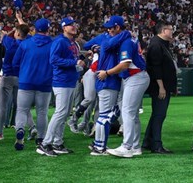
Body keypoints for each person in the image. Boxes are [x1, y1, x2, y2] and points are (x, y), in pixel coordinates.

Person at [102, 19, 150, 158]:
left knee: (127, 111)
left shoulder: (126, 42)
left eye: (111, 28)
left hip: (135, 77)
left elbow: (124, 65)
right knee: (132, 114)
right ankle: (135, 146)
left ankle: (127, 147)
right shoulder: (129, 39)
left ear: (118, 27)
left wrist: (107, 73)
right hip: (137, 76)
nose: (109, 31)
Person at [38, 17, 84, 157]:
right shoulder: (59, 41)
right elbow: (54, 59)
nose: (73, 27)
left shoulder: (73, 42)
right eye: (69, 25)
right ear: (64, 28)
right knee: (60, 113)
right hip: (61, 81)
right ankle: (45, 143)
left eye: (73, 24)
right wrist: (74, 62)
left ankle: (58, 142)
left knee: (64, 113)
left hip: (70, 80)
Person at [13, 18, 53, 151]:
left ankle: (20, 131)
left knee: (22, 110)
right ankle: (41, 138)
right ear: (48, 30)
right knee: (42, 112)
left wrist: (24, 72)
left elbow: (15, 63)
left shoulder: (25, 44)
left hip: (26, 81)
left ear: (34, 29)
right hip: (45, 83)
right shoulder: (52, 44)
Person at [0, 23, 31, 141]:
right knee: (22, 107)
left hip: (7, 77)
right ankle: (31, 128)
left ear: (17, 33)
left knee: (2, 106)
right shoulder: (28, 44)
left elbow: (0, 33)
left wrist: (11, 30)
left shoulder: (10, 42)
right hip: (22, 78)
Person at [90, 16, 124, 156]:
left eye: (111, 27)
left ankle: (98, 144)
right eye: (109, 28)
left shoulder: (108, 43)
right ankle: (99, 147)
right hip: (107, 82)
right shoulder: (107, 43)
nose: (109, 30)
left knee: (105, 115)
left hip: (106, 82)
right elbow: (122, 36)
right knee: (104, 116)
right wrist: (127, 33)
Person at [143, 22, 177, 154]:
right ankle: (156, 145)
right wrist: (161, 87)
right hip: (159, 86)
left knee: (157, 114)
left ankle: (147, 141)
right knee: (159, 114)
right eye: (170, 29)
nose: (172, 31)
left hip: (164, 85)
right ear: (163, 30)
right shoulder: (157, 45)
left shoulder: (161, 44)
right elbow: (155, 68)